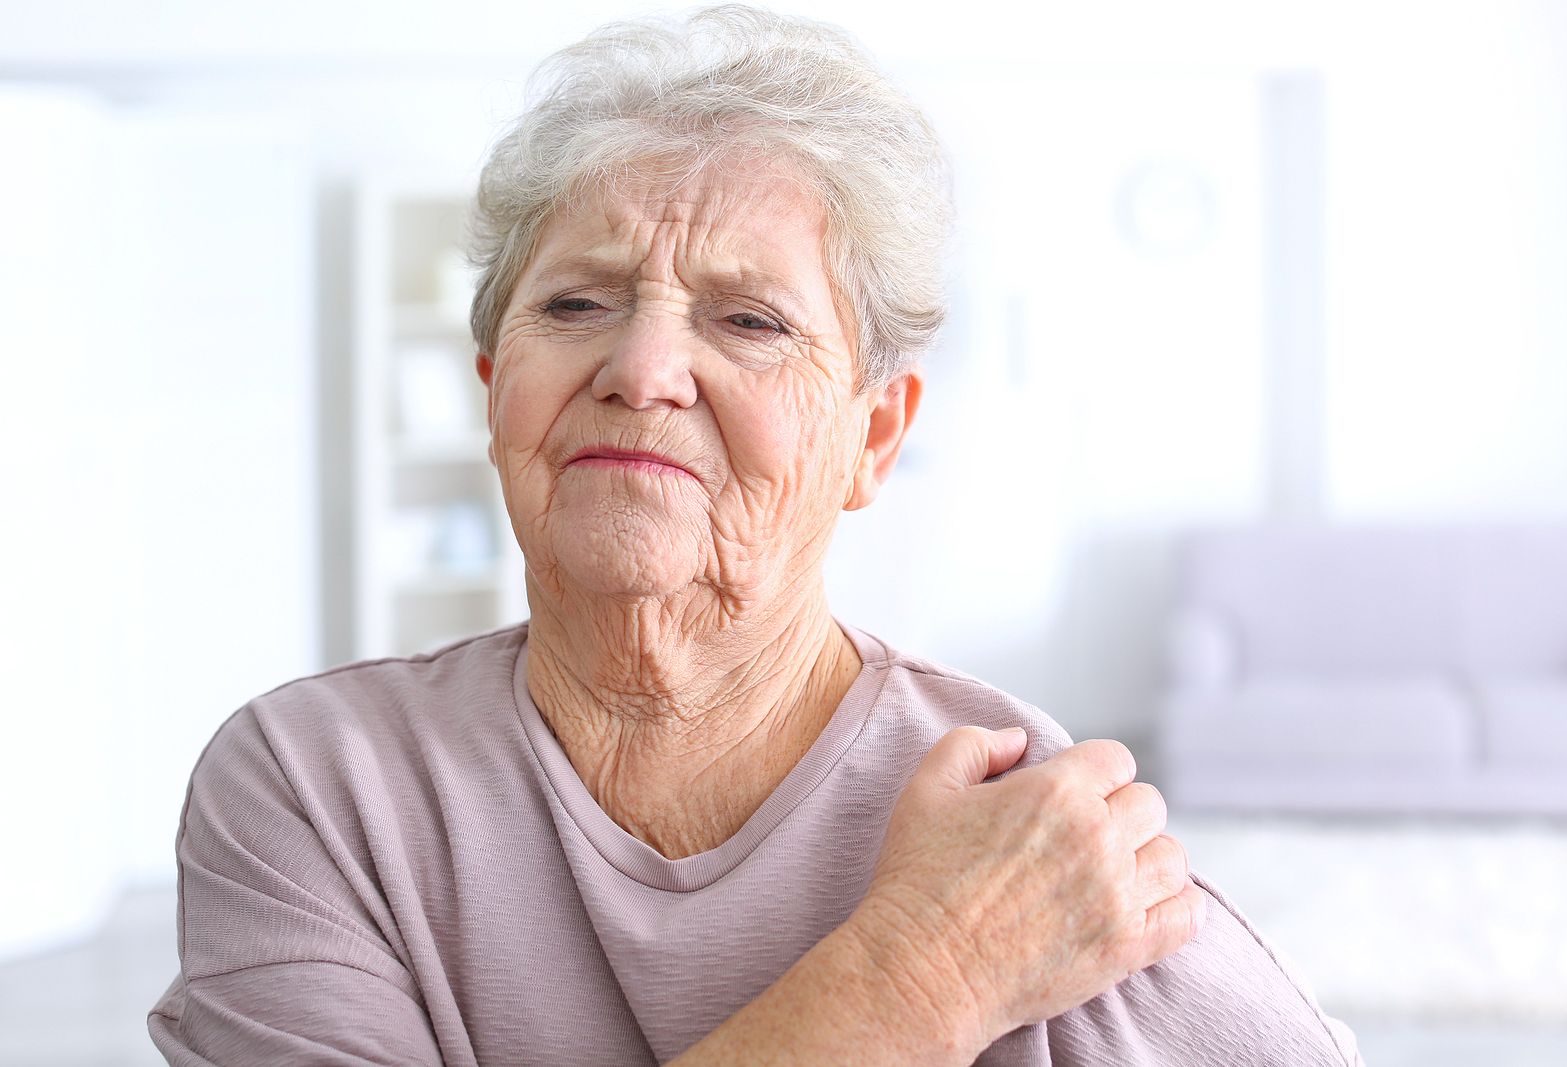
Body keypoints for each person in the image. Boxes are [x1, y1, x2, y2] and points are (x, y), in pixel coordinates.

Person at [149, 6, 1364, 1065]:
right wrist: (926, 973)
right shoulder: (314, 784)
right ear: (492, 386)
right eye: (576, 303)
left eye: (747, 319)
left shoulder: (1013, 812)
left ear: (872, 438)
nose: (641, 369)